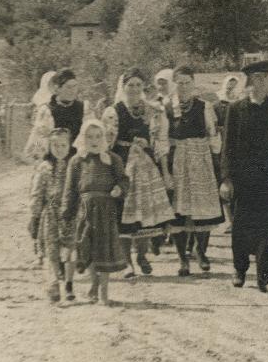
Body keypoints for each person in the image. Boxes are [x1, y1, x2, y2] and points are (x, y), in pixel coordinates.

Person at [219, 59, 268, 291]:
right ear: (256, 80)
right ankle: (240, 269)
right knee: (241, 228)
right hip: (243, 181)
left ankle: (267, 278)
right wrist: (226, 179)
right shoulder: (236, 109)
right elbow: (227, 146)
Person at [114, 70, 174, 277]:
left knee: (143, 214)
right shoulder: (114, 111)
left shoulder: (152, 111)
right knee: (123, 213)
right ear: (123, 87)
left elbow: (160, 142)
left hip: (146, 167)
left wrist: (164, 171)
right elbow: (107, 144)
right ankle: (127, 261)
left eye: (139, 85)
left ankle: (141, 255)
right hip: (122, 166)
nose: (135, 89)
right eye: (130, 85)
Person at [63, 119, 129, 306]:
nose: (94, 140)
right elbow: (70, 190)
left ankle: (104, 293)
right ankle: (94, 282)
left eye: (98, 136)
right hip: (84, 211)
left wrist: (119, 188)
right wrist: (66, 213)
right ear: (83, 138)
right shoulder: (77, 161)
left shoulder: (112, 159)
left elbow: (124, 180)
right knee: (87, 248)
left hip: (106, 209)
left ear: (104, 137)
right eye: (89, 137)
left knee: (104, 249)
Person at [167, 65, 224, 275]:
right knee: (178, 211)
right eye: (179, 83)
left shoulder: (204, 107)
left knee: (203, 209)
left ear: (193, 83)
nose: (183, 87)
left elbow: (213, 136)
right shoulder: (166, 107)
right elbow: (163, 138)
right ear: (174, 84)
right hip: (178, 160)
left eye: (187, 82)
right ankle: (183, 259)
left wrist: (214, 157)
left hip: (200, 159)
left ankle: (201, 252)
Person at [29, 128, 77, 302]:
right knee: (52, 249)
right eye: (55, 145)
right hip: (50, 214)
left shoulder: (75, 164)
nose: (59, 148)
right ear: (49, 146)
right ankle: (54, 282)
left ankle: (69, 283)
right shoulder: (43, 167)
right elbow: (37, 192)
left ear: (69, 145)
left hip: (71, 212)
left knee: (70, 248)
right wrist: (34, 215)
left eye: (63, 145)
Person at [22, 70, 58, 163]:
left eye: (57, 83)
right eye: (51, 84)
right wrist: (35, 146)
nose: (55, 87)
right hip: (44, 141)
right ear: (45, 85)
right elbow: (38, 130)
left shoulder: (60, 102)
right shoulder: (43, 106)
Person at [48, 68, 85, 145]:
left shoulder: (83, 108)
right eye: (68, 87)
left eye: (75, 86)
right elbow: (38, 141)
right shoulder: (48, 110)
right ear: (58, 88)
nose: (73, 91)